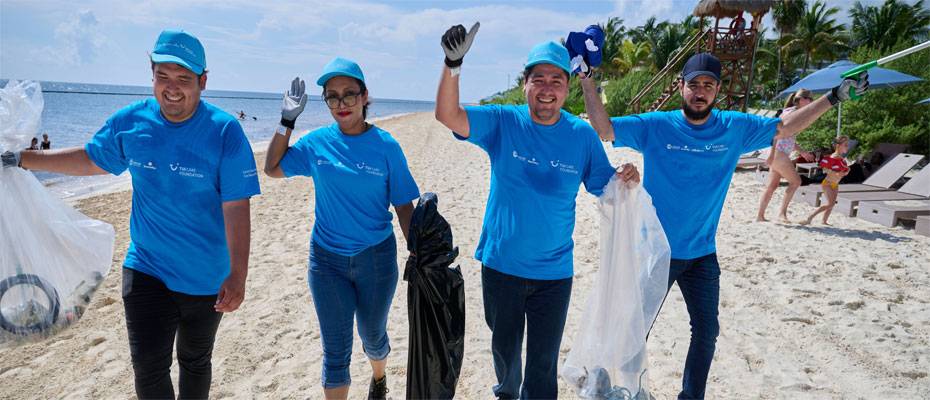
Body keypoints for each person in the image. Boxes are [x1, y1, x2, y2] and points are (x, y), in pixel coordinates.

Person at [580, 52, 868, 399]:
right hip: (657, 250)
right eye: (694, 84)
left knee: (706, 330)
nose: (700, 92)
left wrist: (833, 97)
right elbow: (605, 128)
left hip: (702, 252)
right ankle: (615, 383)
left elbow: (787, 127)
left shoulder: (734, 128)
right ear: (681, 86)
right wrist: (585, 78)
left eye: (708, 85)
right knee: (635, 327)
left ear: (717, 90)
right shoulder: (657, 125)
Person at [1, 29, 260, 399]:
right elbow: (92, 159)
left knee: (195, 360)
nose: (172, 88)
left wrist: (238, 274)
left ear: (203, 81)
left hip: (207, 276)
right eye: (163, 76)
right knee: (149, 370)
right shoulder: (131, 121)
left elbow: (236, 206)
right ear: (151, 74)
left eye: (184, 79)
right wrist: (23, 159)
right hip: (146, 268)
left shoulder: (225, 132)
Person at [434, 23, 640, 399]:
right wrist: (453, 64)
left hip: (554, 273)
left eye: (556, 80)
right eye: (539, 79)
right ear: (525, 83)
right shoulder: (503, 121)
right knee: (506, 358)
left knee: (543, 367)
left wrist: (626, 176)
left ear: (566, 87)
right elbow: (448, 116)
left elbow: (606, 186)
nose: (547, 89)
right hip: (502, 267)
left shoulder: (580, 136)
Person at [263, 57, 419, 400]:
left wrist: (419, 254)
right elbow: (272, 168)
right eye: (332, 96)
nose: (341, 103)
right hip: (326, 261)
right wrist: (287, 120)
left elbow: (404, 205)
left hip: (375, 259)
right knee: (335, 351)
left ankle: (379, 378)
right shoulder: (316, 143)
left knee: (372, 334)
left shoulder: (387, 146)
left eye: (349, 94)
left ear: (364, 97)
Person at [756, 88, 815, 223]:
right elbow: (776, 134)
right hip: (778, 153)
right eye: (809, 99)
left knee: (772, 186)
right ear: (800, 100)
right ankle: (782, 214)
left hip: (780, 153)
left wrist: (802, 152)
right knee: (796, 181)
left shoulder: (795, 113)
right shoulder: (791, 113)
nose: (811, 101)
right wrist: (771, 155)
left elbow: (788, 138)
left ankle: (760, 216)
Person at [801, 135, 850, 226]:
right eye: (846, 145)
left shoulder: (841, 157)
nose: (848, 146)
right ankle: (810, 218)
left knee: (831, 204)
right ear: (838, 146)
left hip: (835, 183)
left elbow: (842, 169)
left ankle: (824, 221)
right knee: (830, 204)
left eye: (847, 145)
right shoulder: (834, 156)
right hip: (827, 183)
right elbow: (824, 169)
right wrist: (836, 173)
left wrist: (846, 171)